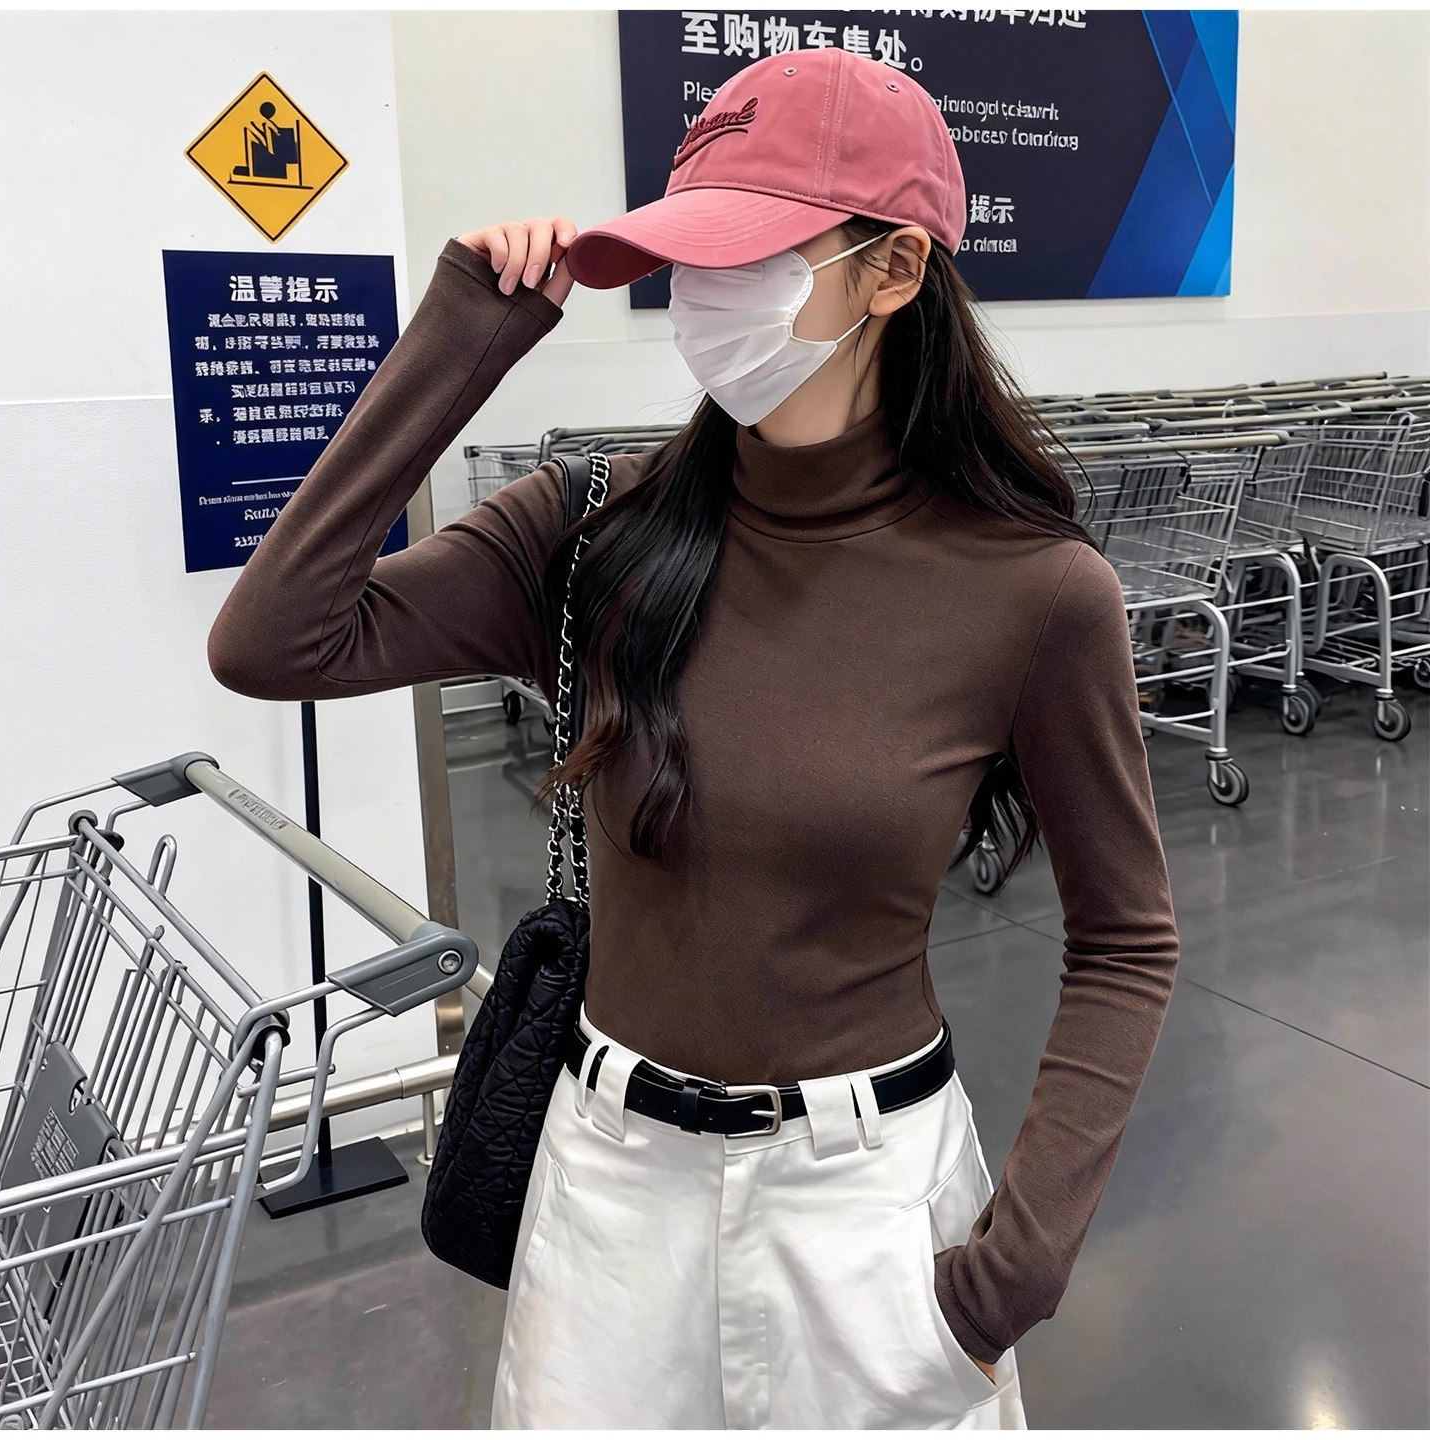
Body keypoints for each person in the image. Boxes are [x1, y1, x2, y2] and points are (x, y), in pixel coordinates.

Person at [207, 46, 1180, 1431]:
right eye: (688, 258)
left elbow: (1127, 938)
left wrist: (1010, 1273)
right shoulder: (593, 530)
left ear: (896, 270)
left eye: (752, 255)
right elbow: (272, 643)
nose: (704, 293)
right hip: (607, 1192)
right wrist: (461, 342)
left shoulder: (1031, 592)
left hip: (866, 1209)